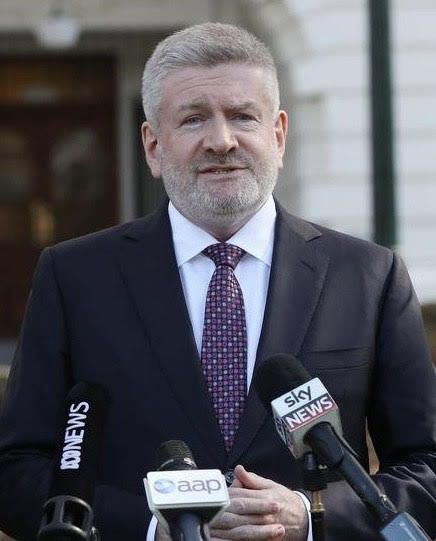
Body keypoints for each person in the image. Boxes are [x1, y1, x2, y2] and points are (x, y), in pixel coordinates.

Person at [0, 22, 435, 541]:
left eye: (242, 116)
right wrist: (152, 525)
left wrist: (308, 515)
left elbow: (426, 466)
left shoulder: (369, 277)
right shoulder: (74, 278)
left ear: (277, 134)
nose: (222, 140)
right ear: (153, 146)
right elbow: (17, 472)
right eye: (193, 119)